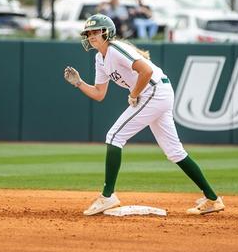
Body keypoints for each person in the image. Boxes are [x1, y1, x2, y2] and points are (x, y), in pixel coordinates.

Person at [63, 14, 225, 216]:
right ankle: (212, 198)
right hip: (158, 92)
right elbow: (99, 94)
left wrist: (133, 94)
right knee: (174, 152)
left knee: (114, 136)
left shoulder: (115, 49)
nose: (92, 36)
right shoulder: (100, 58)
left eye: (96, 31)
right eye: (88, 33)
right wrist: (79, 83)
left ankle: (107, 196)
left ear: (107, 33)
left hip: (154, 91)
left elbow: (146, 71)